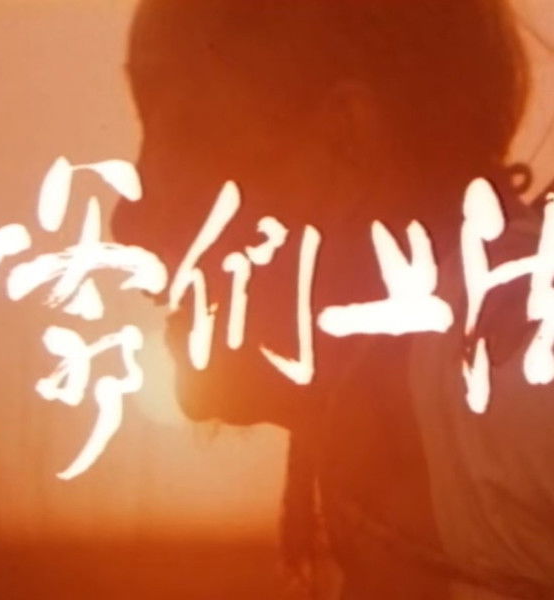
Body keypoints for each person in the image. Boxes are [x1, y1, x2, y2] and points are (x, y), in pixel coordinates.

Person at [113, 2, 533, 597]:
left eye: (185, 130)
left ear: (345, 141)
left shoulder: (504, 392)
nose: (127, 222)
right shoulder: (429, 440)